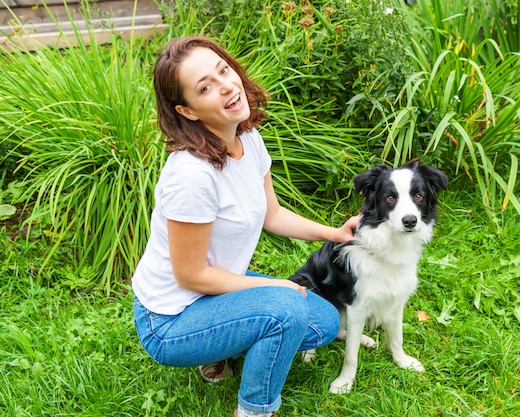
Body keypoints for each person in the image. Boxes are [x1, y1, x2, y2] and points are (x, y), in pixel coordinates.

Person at [131, 36, 359, 417]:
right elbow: (191, 276)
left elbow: (273, 215)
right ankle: (254, 409)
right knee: (287, 306)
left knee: (322, 321)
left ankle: (223, 343)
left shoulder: (247, 138)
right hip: (169, 319)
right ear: (187, 111)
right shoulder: (191, 176)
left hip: (212, 290)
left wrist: (334, 233)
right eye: (205, 87)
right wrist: (275, 287)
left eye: (223, 70)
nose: (226, 85)